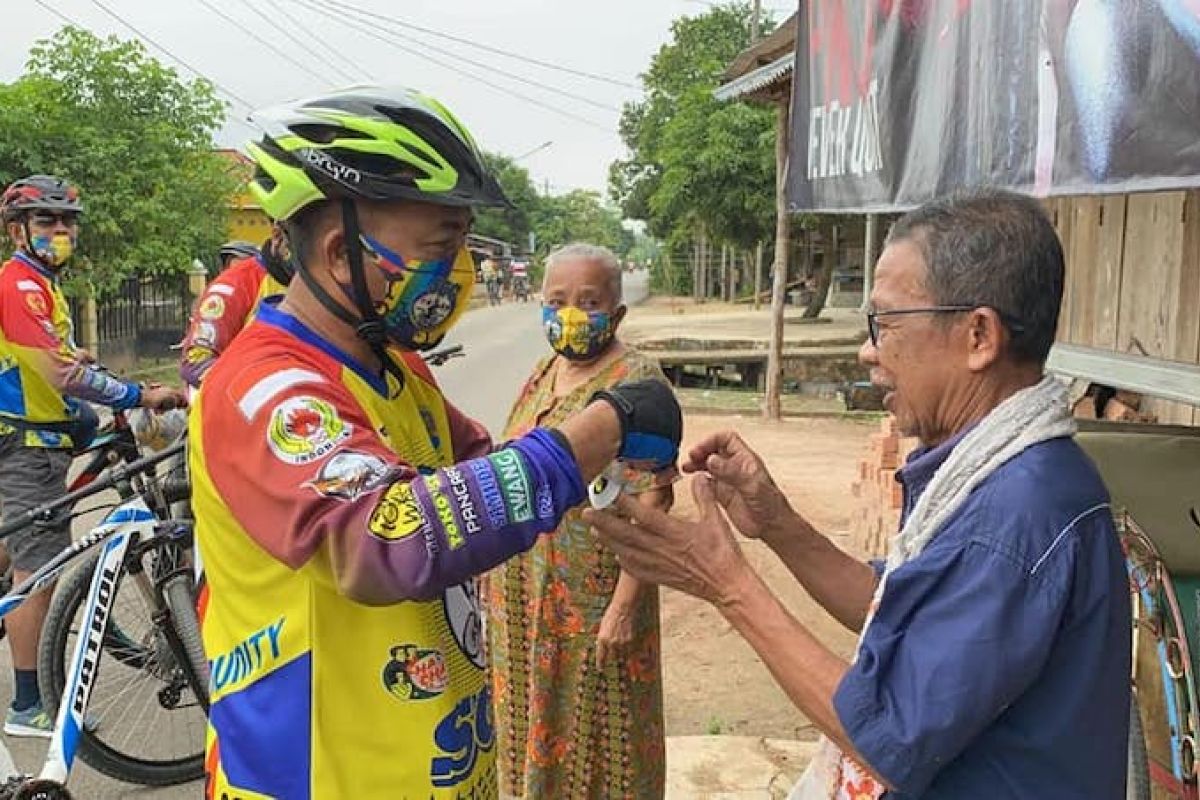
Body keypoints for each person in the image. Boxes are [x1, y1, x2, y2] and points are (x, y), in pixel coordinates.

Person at [188, 86, 682, 799]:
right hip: (322, 779)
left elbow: (485, 474)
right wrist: (603, 423)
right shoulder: (263, 389)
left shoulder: (396, 368)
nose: (462, 273)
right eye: (441, 247)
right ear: (337, 253)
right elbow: (383, 542)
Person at [589, 190, 1131, 799]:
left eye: (885, 322)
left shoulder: (1016, 514)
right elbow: (899, 611)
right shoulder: (1001, 472)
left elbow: (888, 737)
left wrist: (726, 585)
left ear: (979, 335)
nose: (867, 350)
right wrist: (780, 525)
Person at [485, 243, 674, 799]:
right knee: (525, 732)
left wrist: (622, 607)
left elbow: (654, 502)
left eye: (588, 301)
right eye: (557, 300)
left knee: (601, 745)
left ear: (616, 312)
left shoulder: (638, 381)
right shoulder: (545, 371)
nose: (570, 313)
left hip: (592, 606)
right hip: (520, 603)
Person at [0, 175, 185, 736]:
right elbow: (59, 372)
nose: (60, 232)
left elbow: (55, 356)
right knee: (42, 568)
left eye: (66, 223)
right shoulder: (20, 284)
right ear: (17, 230)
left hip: (39, 427)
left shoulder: (38, 284)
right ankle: (29, 705)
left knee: (18, 538)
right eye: (46, 222)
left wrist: (94, 372)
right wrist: (137, 394)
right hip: (27, 439)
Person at [179, 227, 294, 389]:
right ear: (279, 237)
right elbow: (196, 361)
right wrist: (257, 391)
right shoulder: (234, 285)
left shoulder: (327, 285)